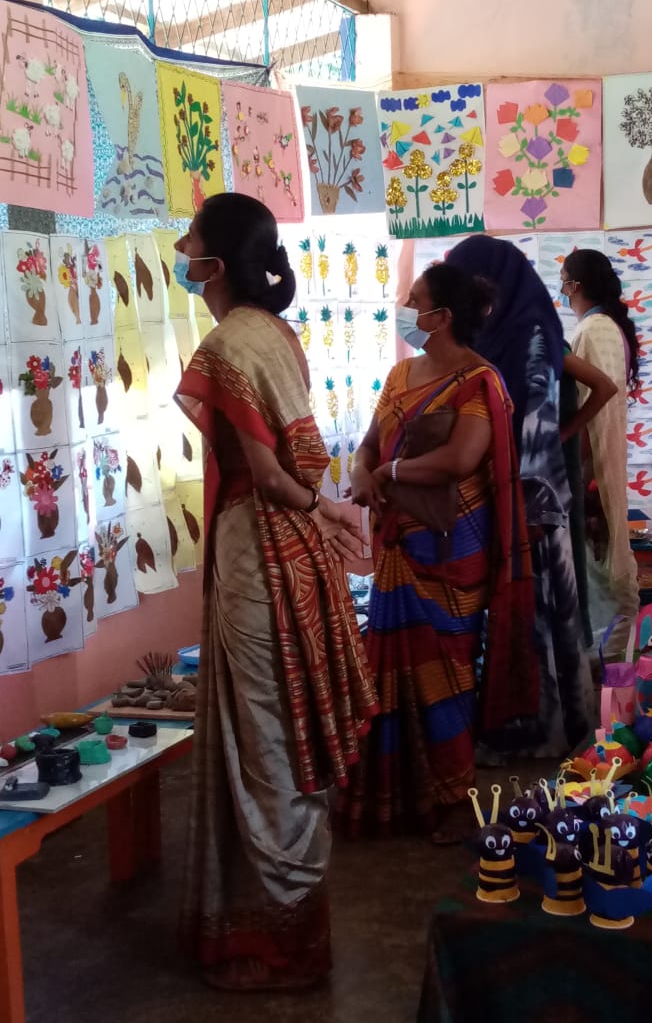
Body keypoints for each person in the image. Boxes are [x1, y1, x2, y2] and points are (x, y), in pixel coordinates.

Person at [174, 193, 378, 991]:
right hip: (295, 554)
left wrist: (315, 503)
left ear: (215, 266)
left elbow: (264, 473)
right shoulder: (278, 334)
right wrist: (322, 509)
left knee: (258, 737)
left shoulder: (226, 342)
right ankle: (293, 931)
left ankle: (270, 945)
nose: (183, 255)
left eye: (190, 243)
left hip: (258, 547)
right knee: (288, 733)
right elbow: (301, 459)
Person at [346, 262, 538, 842]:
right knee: (389, 673)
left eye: (414, 299)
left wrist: (392, 469)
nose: (405, 305)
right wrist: (361, 470)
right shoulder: (402, 375)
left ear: (441, 317)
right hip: (399, 546)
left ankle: (452, 798)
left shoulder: (481, 381)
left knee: (449, 675)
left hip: (453, 549)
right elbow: (369, 443)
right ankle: (396, 796)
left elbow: (461, 458)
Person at [446, 236, 595, 757]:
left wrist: (548, 446)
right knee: (536, 613)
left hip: (530, 496)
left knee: (536, 614)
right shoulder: (515, 329)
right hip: (521, 486)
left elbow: (535, 417)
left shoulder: (531, 336)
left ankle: (538, 737)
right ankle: (551, 726)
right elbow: (599, 388)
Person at [560, 248, 640, 652]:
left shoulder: (589, 332)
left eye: (563, 282)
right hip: (603, 464)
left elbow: (591, 409)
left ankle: (604, 673)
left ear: (574, 286)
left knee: (596, 572)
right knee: (608, 572)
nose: (562, 291)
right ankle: (614, 666)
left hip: (590, 468)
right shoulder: (610, 328)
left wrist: (578, 474)